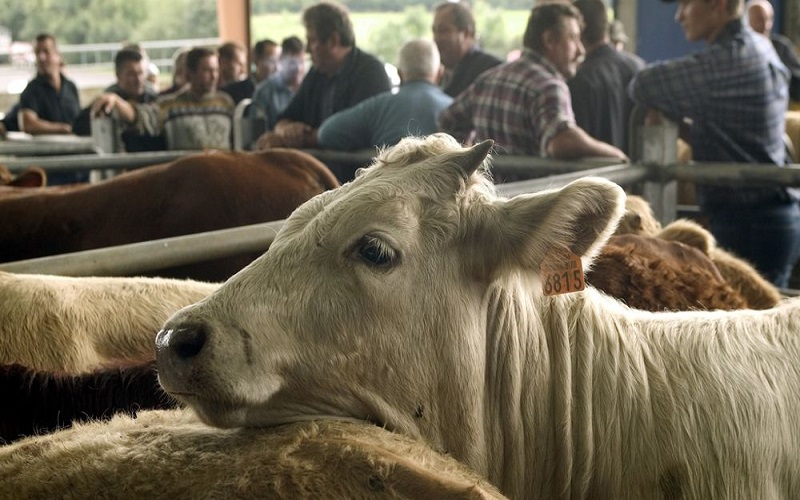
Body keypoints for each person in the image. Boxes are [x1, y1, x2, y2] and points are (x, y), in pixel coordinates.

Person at [629, 0, 797, 287]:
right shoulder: (760, 46)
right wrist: (684, 127)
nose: (679, 15)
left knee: (745, 325)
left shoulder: (725, 61)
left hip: (748, 224)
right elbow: (736, 136)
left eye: (686, 4)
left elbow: (643, 84)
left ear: (718, 5)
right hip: (768, 215)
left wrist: (665, 112)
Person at [438, 2, 627, 160]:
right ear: (549, 40)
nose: (581, 51)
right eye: (573, 38)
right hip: (532, 202)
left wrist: (469, 164)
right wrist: (617, 155)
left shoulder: (488, 79)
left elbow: (448, 120)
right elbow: (562, 142)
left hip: (489, 201)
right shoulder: (549, 86)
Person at [255, 1, 392, 150]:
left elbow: (355, 134)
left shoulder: (371, 73)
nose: (307, 49)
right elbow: (286, 118)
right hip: (315, 169)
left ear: (333, 41)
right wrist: (285, 130)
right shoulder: (316, 73)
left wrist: (302, 138)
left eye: (312, 40)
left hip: (358, 171)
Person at [316, 38, 453, 151]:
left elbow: (327, 133)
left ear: (399, 74)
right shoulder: (456, 109)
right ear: (440, 74)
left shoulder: (378, 107)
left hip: (390, 183)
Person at [92, 46, 235, 151]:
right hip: (186, 181)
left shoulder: (226, 103)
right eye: (206, 70)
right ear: (190, 73)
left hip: (222, 179)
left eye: (215, 70)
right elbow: (141, 117)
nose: (214, 76)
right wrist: (115, 101)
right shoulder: (170, 106)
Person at [568, 0, 645, 155]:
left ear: (579, 28)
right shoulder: (638, 67)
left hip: (597, 176)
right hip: (639, 174)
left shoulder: (579, 80)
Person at [432, 2, 502, 98]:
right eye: (434, 31)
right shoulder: (438, 74)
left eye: (443, 30)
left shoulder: (490, 71)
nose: (436, 39)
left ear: (466, 34)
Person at [18, 33, 80, 135]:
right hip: (47, 150)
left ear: (58, 55)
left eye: (46, 52)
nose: (41, 58)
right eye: (37, 53)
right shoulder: (31, 91)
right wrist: (62, 129)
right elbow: (28, 124)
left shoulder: (71, 87)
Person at [746, 0, 800, 102]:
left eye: (769, 20)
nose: (766, 26)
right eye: (760, 20)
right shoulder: (741, 52)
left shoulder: (781, 47)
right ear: (747, 22)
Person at [251, 36, 306, 130]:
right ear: (281, 61)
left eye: (301, 62)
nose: (298, 68)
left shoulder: (310, 88)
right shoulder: (264, 92)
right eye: (292, 63)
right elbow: (257, 132)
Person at [222, 39, 281, 104]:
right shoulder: (233, 92)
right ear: (256, 59)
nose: (277, 68)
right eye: (271, 61)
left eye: (280, 61)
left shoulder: (283, 93)